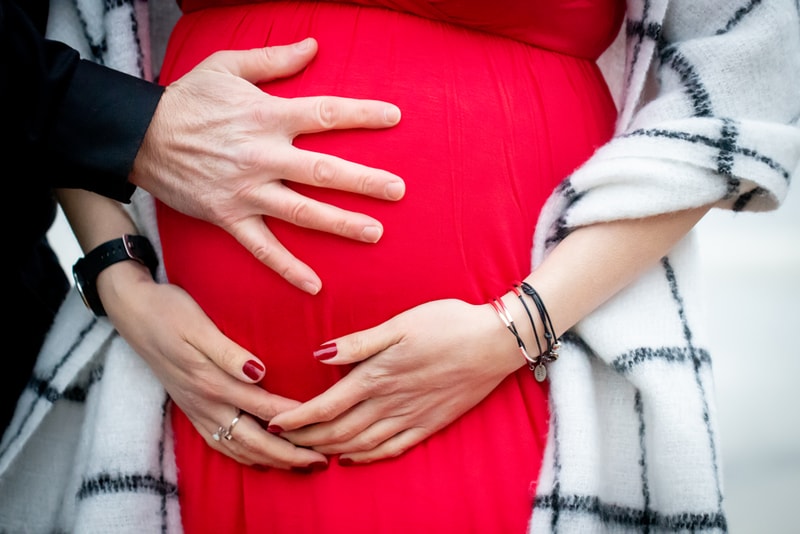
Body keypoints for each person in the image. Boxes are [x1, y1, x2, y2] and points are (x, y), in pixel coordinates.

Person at [1, 0, 799, 533]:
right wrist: (120, 280)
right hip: (197, 392)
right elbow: (58, 48)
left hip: (506, 376)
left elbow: (743, 78)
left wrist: (518, 326)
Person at [2, 0, 405, 433]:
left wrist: (475, 329)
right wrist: (120, 280)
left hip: (451, 373)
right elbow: (69, 30)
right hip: (188, 382)